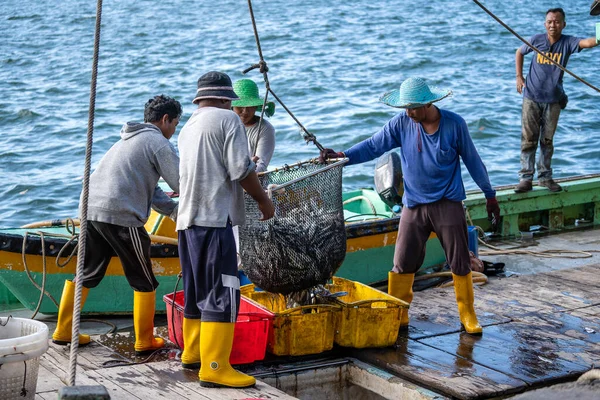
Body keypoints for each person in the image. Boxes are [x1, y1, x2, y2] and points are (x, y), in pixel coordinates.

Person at [320, 77, 501, 335]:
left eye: (412, 107)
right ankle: (399, 313)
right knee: (402, 262)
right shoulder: (401, 124)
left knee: (459, 261)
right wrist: (343, 156)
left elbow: (473, 160)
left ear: (427, 104)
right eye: (405, 107)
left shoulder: (454, 124)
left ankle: (468, 314)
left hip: (447, 203)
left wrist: (490, 195)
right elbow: (373, 146)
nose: (408, 112)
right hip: (413, 205)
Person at [52, 95, 182, 355]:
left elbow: (152, 190)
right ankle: (144, 340)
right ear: (165, 119)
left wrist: (175, 212)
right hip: (120, 215)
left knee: (87, 272)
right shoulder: (157, 142)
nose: (174, 130)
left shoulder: (128, 139)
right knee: (144, 278)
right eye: (175, 124)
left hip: (91, 210)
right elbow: (181, 183)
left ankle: (64, 330)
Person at [176, 71, 275, 388]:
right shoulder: (227, 120)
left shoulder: (189, 125)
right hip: (214, 221)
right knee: (223, 290)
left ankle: (192, 353)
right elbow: (242, 170)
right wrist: (263, 202)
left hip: (186, 223)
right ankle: (216, 366)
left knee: (196, 291)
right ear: (225, 98)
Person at [514, 8, 599, 193]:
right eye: (550, 22)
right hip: (531, 97)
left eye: (557, 22)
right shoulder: (537, 40)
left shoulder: (568, 42)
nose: (553, 25)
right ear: (545, 24)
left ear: (564, 24)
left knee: (547, 140)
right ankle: (525, 178)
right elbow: (519, 52)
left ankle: (545, 177)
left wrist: (599, 35)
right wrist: (519, 77)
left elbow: (589, 42)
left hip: (553, 100)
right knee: (528, 139)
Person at [232, 78, 276, 173]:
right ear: (232, 106)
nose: (245, 111)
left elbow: (261, 165)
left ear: (256, 106)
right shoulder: (225, 125)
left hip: (255, 180)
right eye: (240, 106)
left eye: (250, 106)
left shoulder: (265, 129)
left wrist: (245, 170)